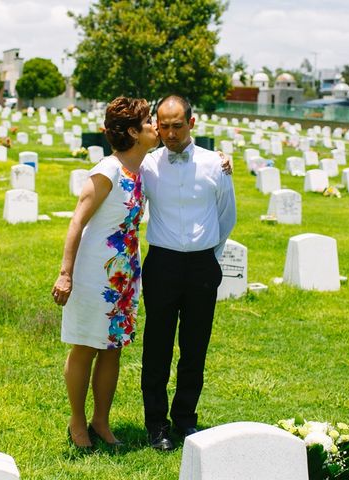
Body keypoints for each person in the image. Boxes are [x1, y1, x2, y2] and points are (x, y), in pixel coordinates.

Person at [52, 97, 159, 449]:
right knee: (85, 346)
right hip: (94, 275)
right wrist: (65, 273)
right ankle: (77, 421)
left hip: (125, 275)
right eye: (148, 123)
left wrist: (222, 158)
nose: (154, 127)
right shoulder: (108, 170)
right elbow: (77, 220)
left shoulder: (140, 168)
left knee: (113, 348)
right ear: (133, 132)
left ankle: (101, 420)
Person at [140, 94, 236, 451]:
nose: (170, 133)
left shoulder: (216, 165)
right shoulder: (149, 165)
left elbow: (227, 215)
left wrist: (209, 253)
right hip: (162, 263)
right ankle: (156, 424)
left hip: (201, 266)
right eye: (163, 126)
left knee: (194, 348)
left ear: (191, 124)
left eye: (177, 125)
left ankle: (185, 420)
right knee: (157, 347)